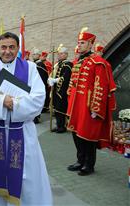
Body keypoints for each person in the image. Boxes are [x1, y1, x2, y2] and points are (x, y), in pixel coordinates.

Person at [0, 32, 52, 205]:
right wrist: (2, 100)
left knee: (27, 174)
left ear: (18, 48)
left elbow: (39, 97)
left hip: (22, 131)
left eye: (11, 47)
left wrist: (14, 105)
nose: (7, 51)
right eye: (4, 47)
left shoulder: (30, 68)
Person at [66, 29, 116, 176]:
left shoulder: (98, 63)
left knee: (88, 136)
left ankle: (89, 164)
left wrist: (96, 108)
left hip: (88, 107)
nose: (79, 45)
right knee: (76, 133)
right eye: (78, 43)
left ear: (90, 44)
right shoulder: (77, 62)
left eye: (82, 43)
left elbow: (101, 86)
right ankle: (80, 160)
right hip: (76, 106)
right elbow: (72, 84)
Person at [48, 44, 73, 133]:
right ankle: (58, 125)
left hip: (62, 90)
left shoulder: (68, 64)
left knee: (61, 109)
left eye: (61, 54)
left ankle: (62, 126)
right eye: (59, 54)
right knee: (56, 109)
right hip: (56, 90)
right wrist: (51, 79)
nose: (59, 55)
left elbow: (66, 77)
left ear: (66, 54)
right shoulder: (58, 64)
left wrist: (55, 80)